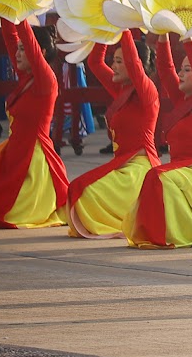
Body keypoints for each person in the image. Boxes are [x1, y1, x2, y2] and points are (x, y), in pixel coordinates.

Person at [125, 37, 192, 249]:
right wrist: (163, 36)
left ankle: (170, 235)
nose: (180, 74)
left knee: (157, 175)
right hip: (184, 170)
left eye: (186, 70)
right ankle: (164, 234)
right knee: (157, 175)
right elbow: (165, 69)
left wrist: (187, 37)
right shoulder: (181, 100)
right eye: (181, 69)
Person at [64, 32, 159, 238]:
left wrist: (123, 27)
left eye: (118, 62)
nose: (113, 66)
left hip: (140, 168)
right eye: (113, 61)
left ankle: (130, 219)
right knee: (77, 190)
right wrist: (103, 28)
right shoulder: (121, 89)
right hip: (121, 164)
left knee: (84, 192)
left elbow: (133, 63)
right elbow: (95, 62)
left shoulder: (147, 92)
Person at [0, 22, 67, 229]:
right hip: (13, 153)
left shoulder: (46, 80)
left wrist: (21, 8)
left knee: (1, 209)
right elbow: (10, 36)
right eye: (18, 49)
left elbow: (26, 39)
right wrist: (7, 7)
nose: (18, 53)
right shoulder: (27, 77)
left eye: (24, 49)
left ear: (42, 52)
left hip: (32, 160)